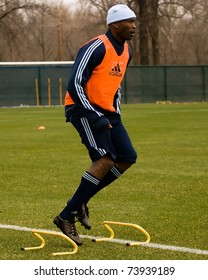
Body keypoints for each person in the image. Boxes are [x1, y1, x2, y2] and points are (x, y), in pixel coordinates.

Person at [54, 4, 137, 246]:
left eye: (135, 21)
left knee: (126, 157)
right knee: (104, 159)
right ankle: (65, 216)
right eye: (129, 22)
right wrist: (95, 116)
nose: (134, 26)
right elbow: (75, 84)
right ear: (114, 25)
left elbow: (116, 87)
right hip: (82, 109)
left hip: (109, 113)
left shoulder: (127, 52)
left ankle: (80, 200)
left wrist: (115, 115)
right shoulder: (96, 47)